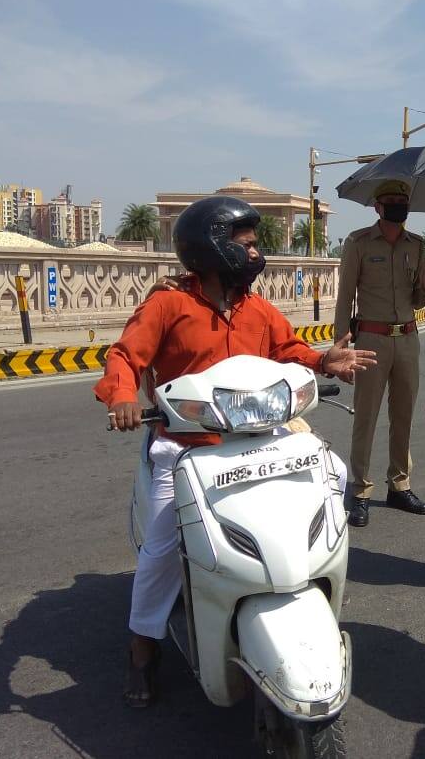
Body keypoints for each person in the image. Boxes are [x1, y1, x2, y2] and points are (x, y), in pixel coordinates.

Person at [95, 196, 376, 708]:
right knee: (161, 544)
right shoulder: (168, 304)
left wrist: (323, 360)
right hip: (186, 444)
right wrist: (122, 397)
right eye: (245, 245)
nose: (255, 254)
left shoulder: (256, 307)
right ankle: (142, 645)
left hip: (259, 436)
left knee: (332, 472)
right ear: (212, 248)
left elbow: (288, 350)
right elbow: (125, 356)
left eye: (254, 245)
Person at [334, 180, 425, 527]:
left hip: (407, 339)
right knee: (366, 416)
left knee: (403, 415)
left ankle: (400, 484)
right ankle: (361, 489)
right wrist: (340, 347)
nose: (398, 205)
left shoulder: (418, 245)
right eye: (391, 201)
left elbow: (419, 300)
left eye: (402, 200)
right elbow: (345, 296)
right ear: (378, 207)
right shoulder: (359, 243)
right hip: (371, 340)